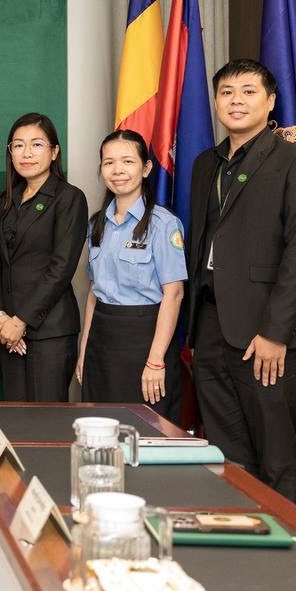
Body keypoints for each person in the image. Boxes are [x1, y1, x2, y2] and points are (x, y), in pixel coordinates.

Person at [186, 59, 296, 501]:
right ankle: (238, 535)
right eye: (226, 92)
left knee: (276, 459)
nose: (236, 101)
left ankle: (284, 543)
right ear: (215, 102)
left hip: (266, 333)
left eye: (248, 91)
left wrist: (275, 333)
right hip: (210, 327)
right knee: (226, 458)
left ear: (270, 102)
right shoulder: (204, 164)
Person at [76, 129, 186, 420]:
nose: (118, 170)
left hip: (144, 340)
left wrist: (156, 360)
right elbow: (94, 292)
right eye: (109, 162)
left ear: (146, 168)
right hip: (101, 342)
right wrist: (84, 350)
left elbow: (174, 294)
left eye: (127, 161)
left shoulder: (164, 224)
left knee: (146, 429)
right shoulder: (96, 224)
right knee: (100, 428)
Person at [0, 112, 88, 402]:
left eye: (37, 144)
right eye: (18, 145)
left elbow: (61, 268)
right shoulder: (7, 200)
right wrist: (1, 317)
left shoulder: (69, 198)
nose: (27, 153)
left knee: (46, 420)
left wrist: (22, 321)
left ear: (54, 152)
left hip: (49, 332)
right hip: (7, 333)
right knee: (14, 419)